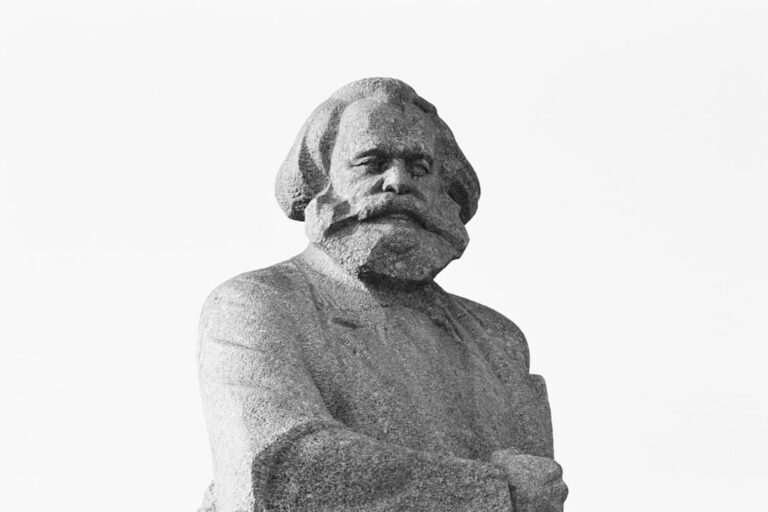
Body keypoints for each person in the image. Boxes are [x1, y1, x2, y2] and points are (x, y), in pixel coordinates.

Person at [197, 77, 568, 512]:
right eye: (371, 162)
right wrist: (493, 491)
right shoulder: (256, 304)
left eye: (419, 167)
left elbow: (541, 491)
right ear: (324, 181)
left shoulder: (497, 341)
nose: (397, 182)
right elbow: (279, 470)